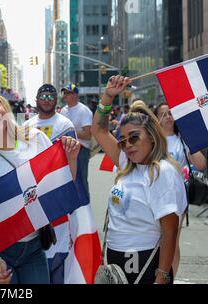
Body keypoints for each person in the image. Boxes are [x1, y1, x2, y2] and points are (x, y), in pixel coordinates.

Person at [0, 87, 80, 284]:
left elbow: (59, 186)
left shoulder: (36, 139)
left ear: (4, 106)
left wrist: (71, 159)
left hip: (33, 248)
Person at [92, 75, 187, 284]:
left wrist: (161, 277)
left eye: (134, 137)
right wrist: (108, 96)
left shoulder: (162, 171)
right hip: (116, 259)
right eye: (123, 141)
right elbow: (98, 130)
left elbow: (170, 230)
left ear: (152, 136)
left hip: (145, 261)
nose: (128, 145)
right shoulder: (127, 162)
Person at [154, 102, 207, 275]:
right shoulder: (152, 140)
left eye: (171, 113)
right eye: (164, 114)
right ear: (157, 118)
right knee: (154, 238)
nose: (168, 117)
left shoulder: (182, 139)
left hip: (177, 197)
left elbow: (200, 164)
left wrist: (189, 139)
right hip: (154, 195)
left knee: (172, 240)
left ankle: (171, 276)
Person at [60, 84, 93, 195]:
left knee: (81, 181)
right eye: (64, 93)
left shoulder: (84, 110)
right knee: (68, 181)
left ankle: (85, 208)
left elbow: (88, 134)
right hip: (66, 150)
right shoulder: (63, 111)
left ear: (75, 95)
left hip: (81, 151)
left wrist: (70, 132)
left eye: (67, 93)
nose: (64, 95)